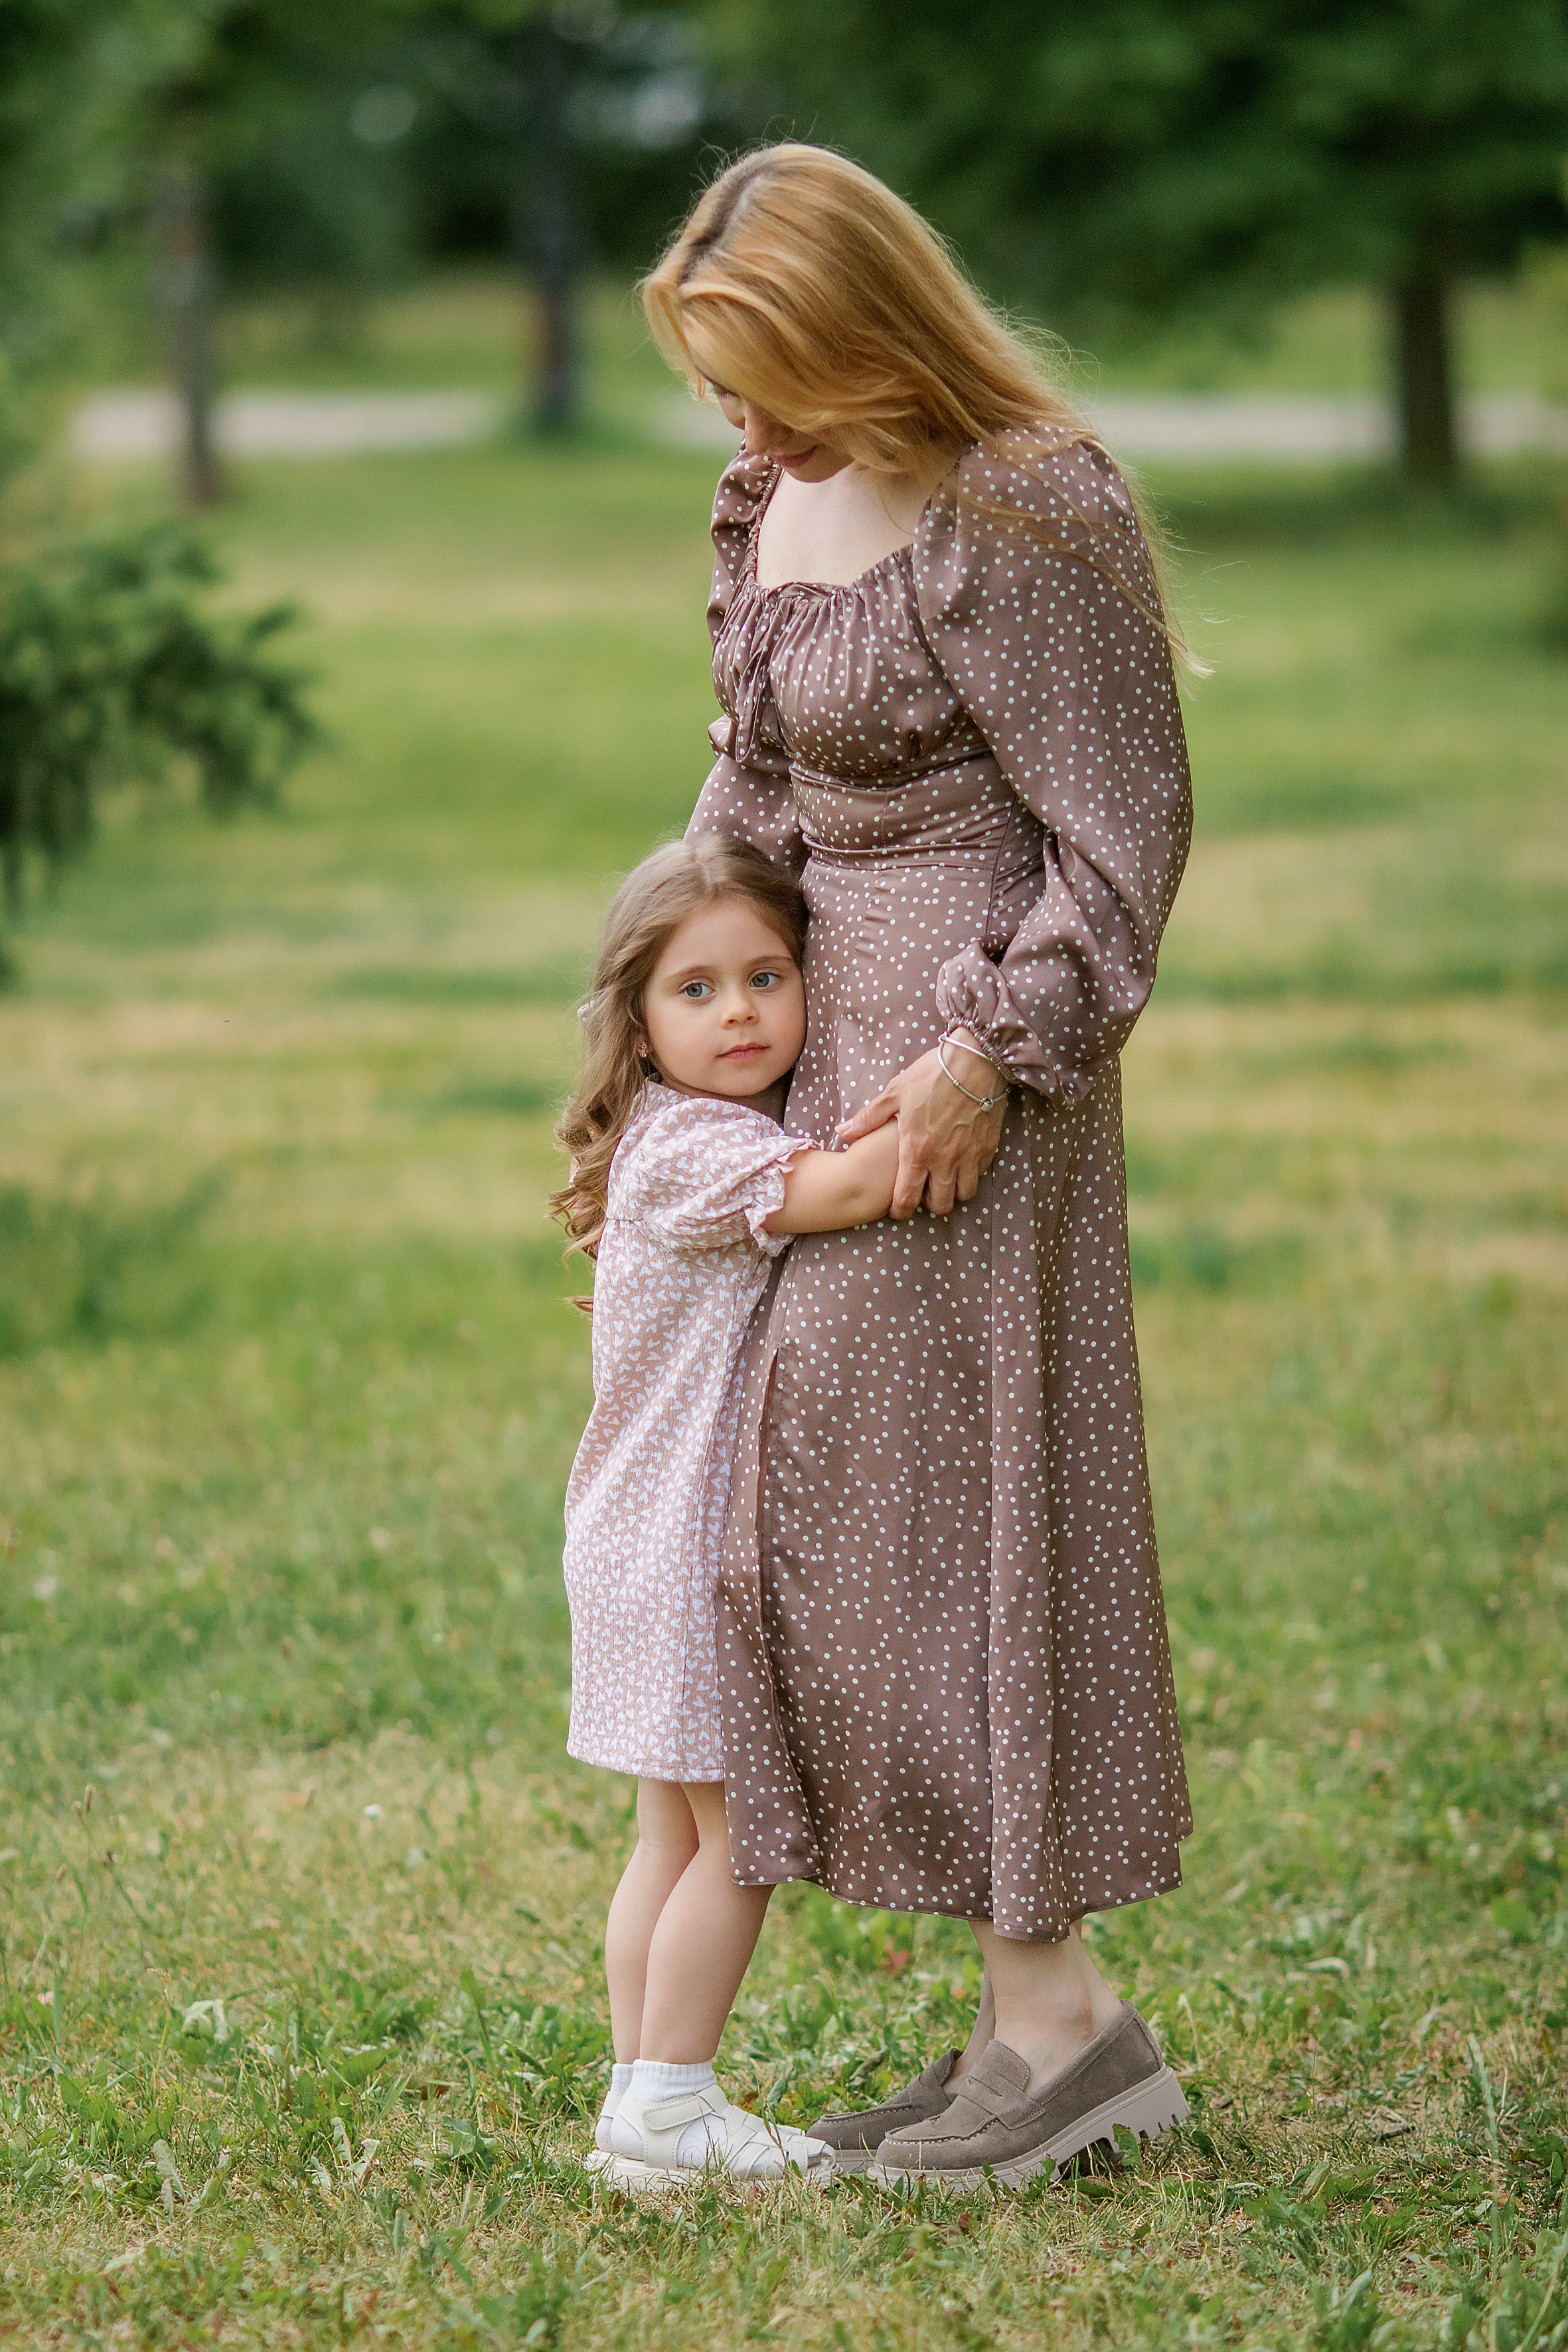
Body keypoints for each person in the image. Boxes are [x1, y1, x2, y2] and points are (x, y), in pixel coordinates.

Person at [639, 143, 1198, 2188]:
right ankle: (1036, 2020)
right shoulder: (772, 498)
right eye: (723, 392)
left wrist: (989, 1058)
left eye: (779, 381)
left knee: (974, 1490)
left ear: (879, 328)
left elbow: (1122, 833)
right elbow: (753, 791)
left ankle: (1053, 2024)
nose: (754, 431)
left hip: (984, 1059)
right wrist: (660, 1020)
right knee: (839, 1505)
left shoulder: (1027, 508)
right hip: (805, 1049)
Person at [551, 832, 907, 2187]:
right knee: (739, 1840)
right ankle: (670, 2103)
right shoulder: (699, 1150)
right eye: (694, 989)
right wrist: (949, 1092)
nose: (741, 1010)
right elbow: (858, 1186)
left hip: (628, 1541)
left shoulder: (660, 1138)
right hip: (685, 1548)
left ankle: (635, 2095)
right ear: (635, 1023)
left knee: (671, 1830)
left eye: (767, 974)